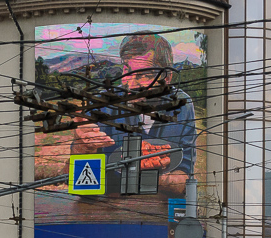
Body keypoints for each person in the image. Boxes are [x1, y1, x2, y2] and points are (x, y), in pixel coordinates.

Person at [69, 33, 197, 197]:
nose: (131, 84)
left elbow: (184, 177)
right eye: (127, 70)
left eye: (145, 75)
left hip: (159, 207)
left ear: (167, 78)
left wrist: (149, 171)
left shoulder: (182, 105)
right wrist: (81, 149)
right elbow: (83, 189)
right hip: (108, 205)